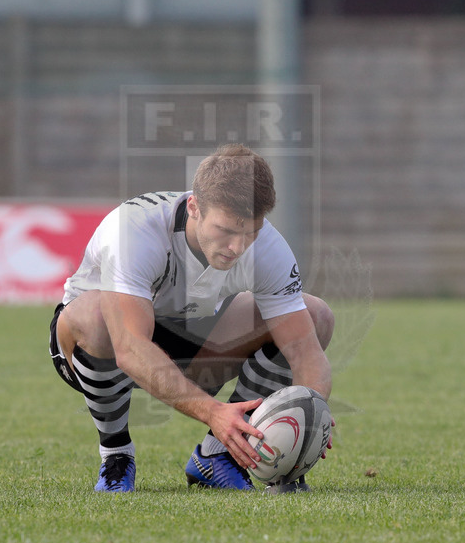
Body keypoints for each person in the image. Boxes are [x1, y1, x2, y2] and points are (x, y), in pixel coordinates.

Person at [48, 144, 335, 492]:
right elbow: (130, 347)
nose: (238, 247)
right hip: (102, 350)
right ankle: (116, 456)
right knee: (97, 319)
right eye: (226, 230)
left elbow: (304, 352)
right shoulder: (134, 230)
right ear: (194, 207)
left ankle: (218, 456)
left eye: (251, 232)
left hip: (193, 342)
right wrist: (213, 411)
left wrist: (310, 413)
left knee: (315, 315)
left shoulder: (268, 247)